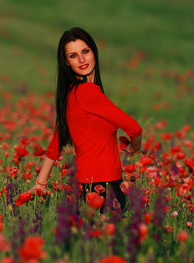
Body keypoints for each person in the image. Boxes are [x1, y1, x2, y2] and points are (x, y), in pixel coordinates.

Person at [30, 27, 143, 213]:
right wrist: (135, 148)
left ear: (93, 52)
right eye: (73, 56)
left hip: (86, 187)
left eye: (85, 51)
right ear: (66, 62)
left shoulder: (71, 94)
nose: (82, 60)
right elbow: (135, 129)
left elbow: (57, 141)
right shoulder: (88, 93)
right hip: (105, 186)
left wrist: (41, 183)